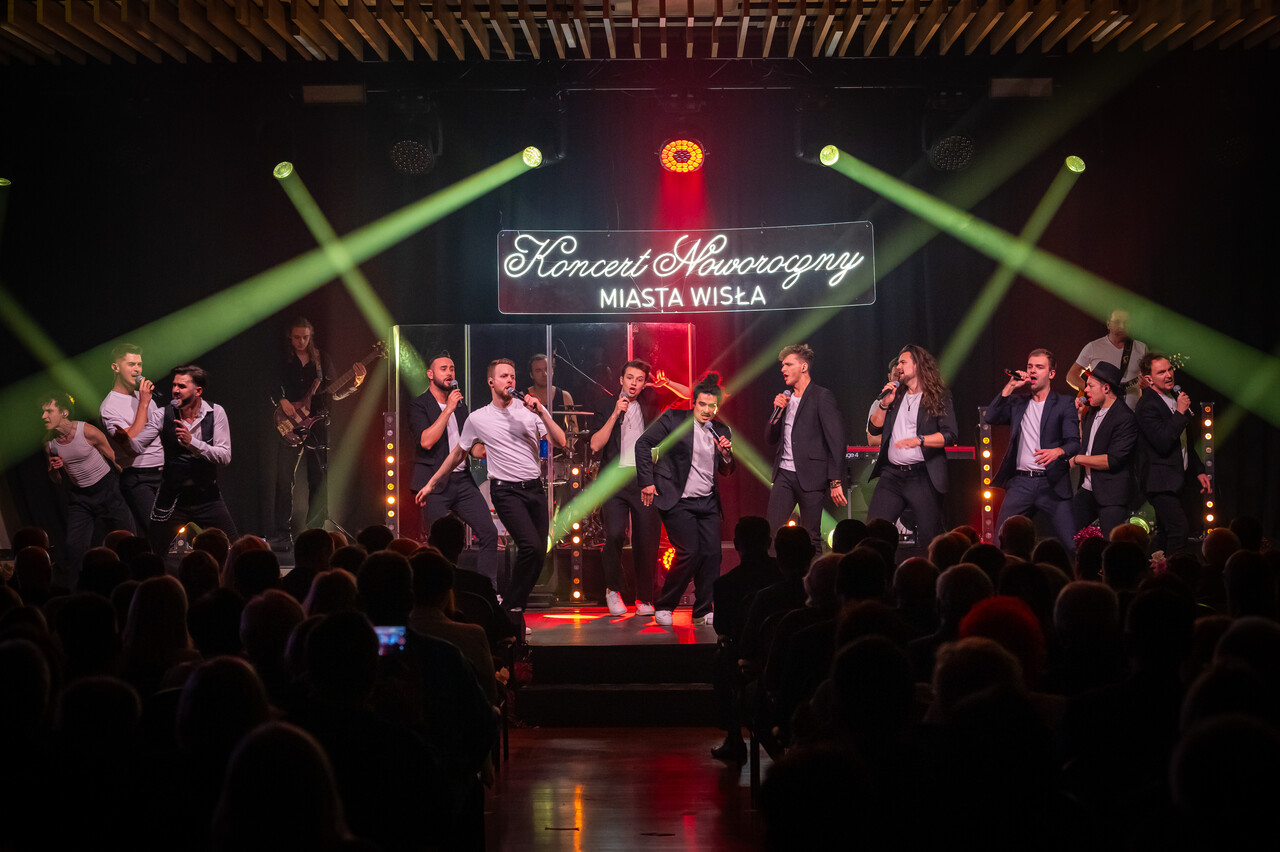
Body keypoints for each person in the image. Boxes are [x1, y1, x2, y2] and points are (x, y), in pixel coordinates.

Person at [416, 358, 566, 627]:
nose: (510, 380)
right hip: (506, 491)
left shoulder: (530, 410)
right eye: (504, 376)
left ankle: (511, 608)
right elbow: (457, 454)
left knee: (539, 551)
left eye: (512, 376)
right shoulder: (478, 418)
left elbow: (560, 441)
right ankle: (509, 608)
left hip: (534, 489)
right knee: (530, 546)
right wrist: (431, 483)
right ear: (491, 382)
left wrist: (542, 412)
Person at [636, 372, 736, 627]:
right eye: (702, 404)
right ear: (694, 403)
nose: (706, 410)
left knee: (712, 554)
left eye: (711, 406)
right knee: (689, 551)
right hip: (677, 499)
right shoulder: (675, 419)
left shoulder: (721, 430)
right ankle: (665, 605)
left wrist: (726, 454)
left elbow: (726, 470)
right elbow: (643, 444)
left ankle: (703, 610)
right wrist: (647, 481)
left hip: (707, 501)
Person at [270, 318, 366, 551]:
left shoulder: (322, 360)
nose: (301, 341)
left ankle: (314, 532)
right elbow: (270, 385)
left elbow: (334, 392)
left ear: (310, 336)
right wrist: (282, 400)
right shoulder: (283, 360)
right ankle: (282, 535)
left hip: (317, 425)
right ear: (290, 337)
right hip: (290, 424)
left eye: (305, 337)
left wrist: (355, 383)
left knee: (318, 479)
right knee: (284, 480)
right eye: (297, 337)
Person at [408, 354, 501, 590]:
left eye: (452, 368)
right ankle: (440, 591)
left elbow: (469, 445)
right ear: (430, 374)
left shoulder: (460, 406)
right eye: (443, 369)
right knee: (439, 542)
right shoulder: (420, 405)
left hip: (462, 481)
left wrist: (487, 450)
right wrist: (448, 409)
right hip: (434, 483)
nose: (449, 373)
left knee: (489, 532)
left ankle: (488, 590)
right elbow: (426, 441)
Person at [588, 359, 667, 616]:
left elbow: (688, 395)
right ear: (621, 379)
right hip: (614, 480)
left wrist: (666, 383)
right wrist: (615, 414)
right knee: (614, 534)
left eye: (639, 380)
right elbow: (595, 445)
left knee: (647, 539)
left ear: (645, 384)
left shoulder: (650, 402)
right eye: (630, 378)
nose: (634, 383)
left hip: (643, 479)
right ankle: (613, 590)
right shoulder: (604, 405)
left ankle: (645, 598)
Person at [985, 348, 1081, 548]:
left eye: (1039, 367)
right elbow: (991, 416)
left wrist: (1058, 451)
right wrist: (1010, 386)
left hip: (1051, 483)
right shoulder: (1018, 403)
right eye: (1030, 367)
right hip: (1021, 484)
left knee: (1073, 544)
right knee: (1000, 543)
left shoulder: (1064, 403)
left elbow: (1074, 442)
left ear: (1051, 373)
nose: (1033, 371)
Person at [866, 344, 958, 546]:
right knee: (873, 532)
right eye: (897, 363)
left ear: (917, 365)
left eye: (903, 362)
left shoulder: (937, 395)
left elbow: (950, 435)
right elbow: (873, 429)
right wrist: (884, 404)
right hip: (892, 476)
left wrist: (920, 440)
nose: (898, 366)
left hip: (922, 475)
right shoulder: (896, 395)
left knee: (929, 538)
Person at [42, 392, 135, 586]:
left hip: (108, 489)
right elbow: (57, 480)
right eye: (43, 412)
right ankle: (77, 591)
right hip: (81, 498)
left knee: (128, 542)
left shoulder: (87, 431)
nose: (44, 416)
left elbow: (113, 457)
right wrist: (53, 469)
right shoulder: (49, 443)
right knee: (73, 548)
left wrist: (129, 484)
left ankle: (135, 582)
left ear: (64, 412)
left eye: (49, 411)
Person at [149, 364, 238, 558]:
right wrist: (142, 405)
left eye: (181, 386)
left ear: (198, 391)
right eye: (174, 385)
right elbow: (136, 445)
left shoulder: (215, 412)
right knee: (154, 552)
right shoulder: (163, 414)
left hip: (207, 496)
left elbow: (224, 456)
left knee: (235, 547)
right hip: (173, 498)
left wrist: (193, 443)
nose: (175, 390)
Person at [765, 344, 847, 552]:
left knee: (812, 536)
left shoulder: (821, 396)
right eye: (782, 365)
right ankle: (775, 571)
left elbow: (836, 441)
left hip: (812, 476)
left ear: (803, 367)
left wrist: (835, 480)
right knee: (772, 533)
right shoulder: (785, 399)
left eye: (788, 365)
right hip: (784, 474)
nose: (783, 369)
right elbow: (770, 438)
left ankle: (813, 573)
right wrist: (777, 412)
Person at [1135, 352, 1212, 556]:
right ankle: (1173, 571)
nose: (1169, 375)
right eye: (1161, 372)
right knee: (1179, 529)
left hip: (1176, 480)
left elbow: (1184, 443)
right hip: (1159, 482)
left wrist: (1198, 470)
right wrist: (1179, 413)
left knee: (1165, 533)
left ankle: (1152, 568)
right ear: (1149, 379)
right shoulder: (1146, 405)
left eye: (1170, 369)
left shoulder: (1172, 399)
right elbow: (1162, 442)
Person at [1068, 361, 1138, 539]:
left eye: (1091, 386)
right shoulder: (1093, 412)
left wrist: (1077, 460)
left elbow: (1112, 460)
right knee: (1067, 532)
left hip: (1111, 494)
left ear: (1106, 388)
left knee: (1112, 542)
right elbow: (1085, 446)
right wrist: (1079, 417)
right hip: (1088, 489)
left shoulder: (1124, 418)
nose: (1086, 390)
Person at [99, 342, 165, 533]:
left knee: (178, 531)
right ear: (116, 367)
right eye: (131, 364)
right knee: (159, 532)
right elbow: (130, 440)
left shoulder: (145, 397)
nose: (137, 369)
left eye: (139, 364)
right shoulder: (109, 406)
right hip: (139, 478)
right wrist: (143, 404)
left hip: (163, 473)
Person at [1067, 309, 1147, 410]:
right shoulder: (1093, 347)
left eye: (1126, 323)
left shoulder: (1141, 348)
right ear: (1108, 324)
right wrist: (1092, 390)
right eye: (1117, 322)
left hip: (1134, 413)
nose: (1122, 326)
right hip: (1101, 413)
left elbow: (1151, 380)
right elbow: (1071, 375)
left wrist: (1147, 384)